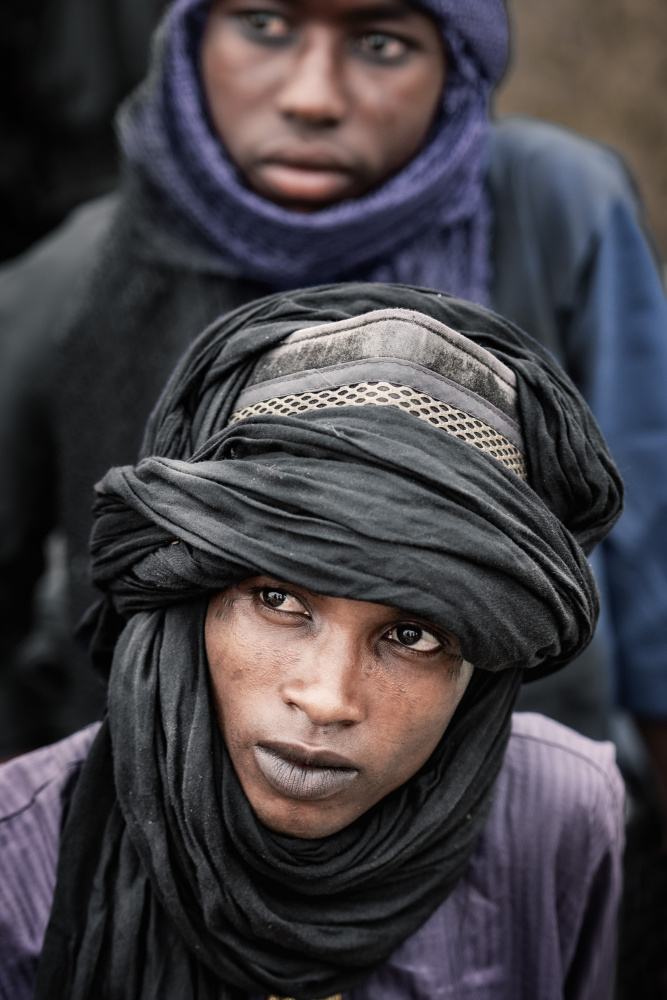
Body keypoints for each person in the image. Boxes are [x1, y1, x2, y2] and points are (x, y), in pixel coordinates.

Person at [0, 0, 665, 772]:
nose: (312, 97)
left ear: (457, 66)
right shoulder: (80, 279)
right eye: (263, 25)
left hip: (517, 788)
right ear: (187, 39)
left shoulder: (552, 209)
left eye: (381, 42)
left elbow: (651, 539)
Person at [0, 286, 624, 999]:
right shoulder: (18, 854)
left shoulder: (560, 817)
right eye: (278, 600)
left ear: (482, 666)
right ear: (190, 598)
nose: (327, 698)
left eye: (412, 635)